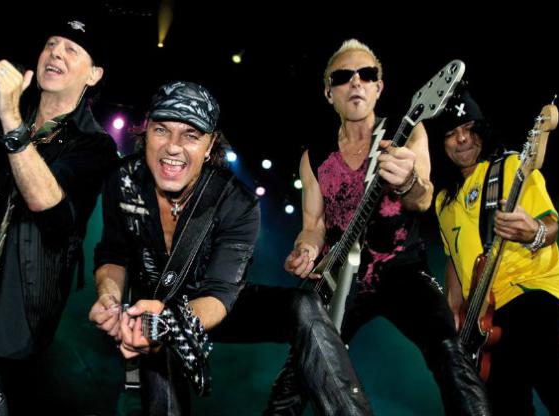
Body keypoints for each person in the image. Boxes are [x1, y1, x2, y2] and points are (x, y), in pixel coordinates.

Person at [88, 80, 372, 415]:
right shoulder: (123, 180)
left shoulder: (236, 201)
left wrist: (168, 322)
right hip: (151, 311)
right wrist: (109, 297)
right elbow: (113, 253)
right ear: (146, 132)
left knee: (303, 304)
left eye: (191, 135)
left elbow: (220, 294)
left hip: (211, 302)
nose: (173, 147)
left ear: (210, 145)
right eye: (162, 130)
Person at [266, 39, 491, 415]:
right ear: (329, 93)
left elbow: (422, 198)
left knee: (449, 350)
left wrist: (407, 181)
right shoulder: (314, 156)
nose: (355, 82)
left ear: (378, 87)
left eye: (366, 74)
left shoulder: (406, 133)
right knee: (299, 372)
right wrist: (305, 248)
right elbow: (313, 225)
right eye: (343, 76)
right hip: (344, 280)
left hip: (403, 270)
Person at [0, 17, 118, 415]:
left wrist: (10, 119)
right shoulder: (16, 115)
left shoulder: (95, 146)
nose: (56, 53)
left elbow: (46, 202)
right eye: (51, 44)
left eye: (71, 49)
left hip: (25, 294)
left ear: (94, 74)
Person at [432, 89, 559, 415]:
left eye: (469, 129)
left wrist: (534, 233)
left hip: (530, 289)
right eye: (451, 133)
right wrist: (453, 313)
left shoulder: (510, 167)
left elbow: (551, 226)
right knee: (503, 400)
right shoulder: (443, 202)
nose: (462, 139)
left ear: (482, 131)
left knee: (542, 358)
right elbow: (454, 259)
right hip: (483, 318)